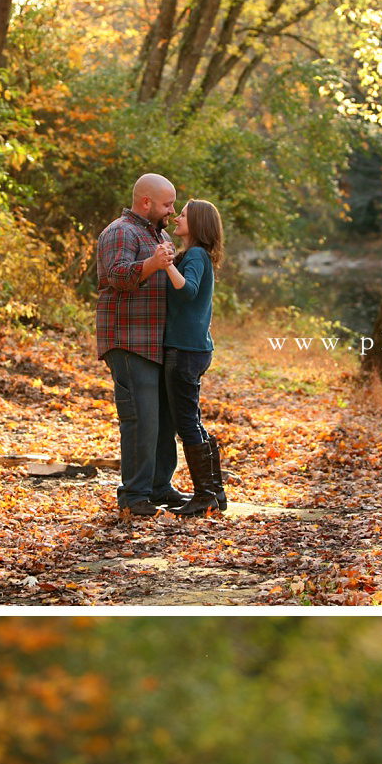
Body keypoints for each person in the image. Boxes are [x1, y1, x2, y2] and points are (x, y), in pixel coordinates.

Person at [96, 174, 186, 517]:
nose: (172, 210)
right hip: (129, 340)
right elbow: (116, 275)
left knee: (163, 419)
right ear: (145, 202)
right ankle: (134, 496)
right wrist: (153, 264)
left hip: (156, 341)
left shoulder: (157, 234)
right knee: (141, 419)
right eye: (167, 204)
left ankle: (159, 486)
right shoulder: (120, 231)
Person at [162, 199, 227, 516]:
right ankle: (214, 492)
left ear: (197, 223)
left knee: (187, 424)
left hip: (185, 350)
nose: (176, 217)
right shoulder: (194, 255)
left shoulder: (196, 255)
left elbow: (187, 291)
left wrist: (166, 265)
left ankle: (204, 495)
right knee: (193, 421)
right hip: (193, 347)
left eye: (183, 215)